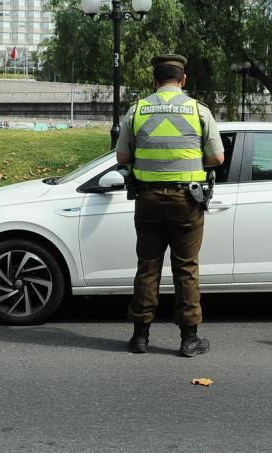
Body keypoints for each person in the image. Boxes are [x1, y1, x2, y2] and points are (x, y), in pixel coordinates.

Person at [115, 53, 225, 357]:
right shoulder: (198, 111)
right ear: (183, 80)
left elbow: (122, 158)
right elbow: (217, 159)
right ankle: (189, 340)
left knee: (147, 267)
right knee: (186, 268)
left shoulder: (137, 110)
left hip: (148, 200)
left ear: (154, 80)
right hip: (186, 201)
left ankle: (140, 337)